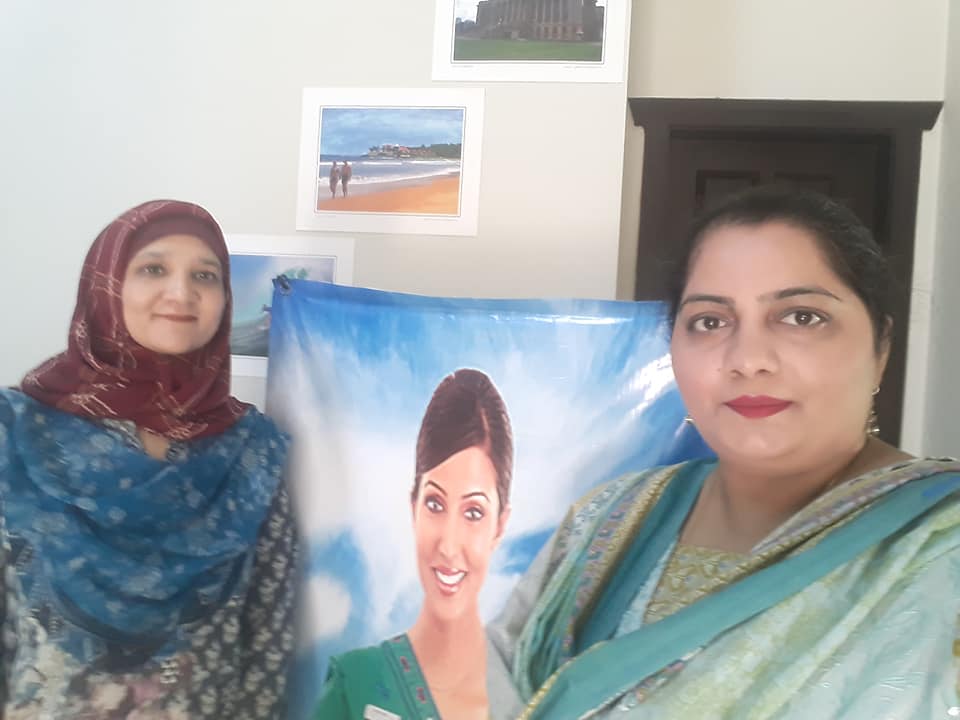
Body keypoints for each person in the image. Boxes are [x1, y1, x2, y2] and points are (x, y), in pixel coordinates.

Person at [486, 186, 960, 720]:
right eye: (710, 321)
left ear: (881, 349)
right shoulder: (606, 519)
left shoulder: (941, 547)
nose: (748, 359)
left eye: (801, 317)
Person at [0, 199, 299, 719]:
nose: (181, 292)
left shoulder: (253, 452)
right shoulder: (17, 433)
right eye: (153, 269)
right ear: (106, 284)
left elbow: (267, 645)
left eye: (204, 275)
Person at [314, 368, 514, 720]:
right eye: (435, 504)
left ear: (499, 525)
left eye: (473, 512)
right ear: (413, 507)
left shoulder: (530, 697)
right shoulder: (356, 683)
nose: (449, 546)